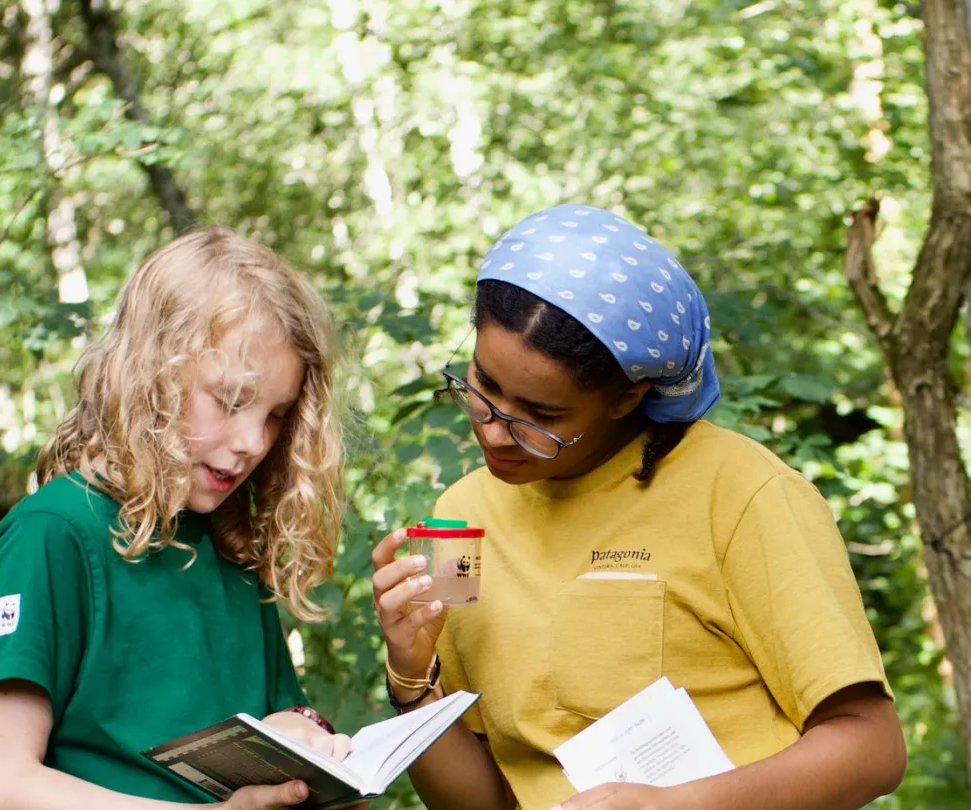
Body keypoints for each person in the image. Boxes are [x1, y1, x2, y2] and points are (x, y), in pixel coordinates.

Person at [371, 205, 906, 810]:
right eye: (483, 387)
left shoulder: (744, 494)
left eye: (541, 417)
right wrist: (411, 677)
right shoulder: (456, 522)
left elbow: (874, 749)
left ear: (628, 397)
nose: (494, 433)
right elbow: (481, 801)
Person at [0, 228, 355, 810]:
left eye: (275, 415)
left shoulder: (231, 545)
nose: (252, 442)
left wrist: (318, 767)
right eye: (228, 400)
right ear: (150, 376)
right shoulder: (52, 536)